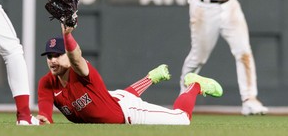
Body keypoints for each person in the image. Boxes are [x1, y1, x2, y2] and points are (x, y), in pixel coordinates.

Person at [36, 23, 223, 125]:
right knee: (119, 97)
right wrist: (44, 117)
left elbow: (76, 57)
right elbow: (44, 107)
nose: (52, 60)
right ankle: (151, 77)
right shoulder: (47, 82)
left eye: (58, 55)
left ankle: (195, 85)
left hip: (127, 113)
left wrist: (68, 36)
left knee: (182, 119)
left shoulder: (81, 71)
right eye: (49, 56)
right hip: (111, 99)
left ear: (67, 56)